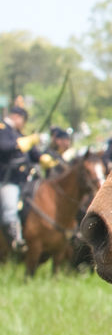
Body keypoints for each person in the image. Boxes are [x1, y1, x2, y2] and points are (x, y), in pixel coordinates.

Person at [1, 104, 40, 250]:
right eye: (23, 119)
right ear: (17, 117)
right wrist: (22, 143)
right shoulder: (3, 128)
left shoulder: (19, 134)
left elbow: (34, 155)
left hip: (26, 179)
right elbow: (4, 147)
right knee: (10, 206)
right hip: (8, 179)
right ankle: (15, 239)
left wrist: (43, 157)